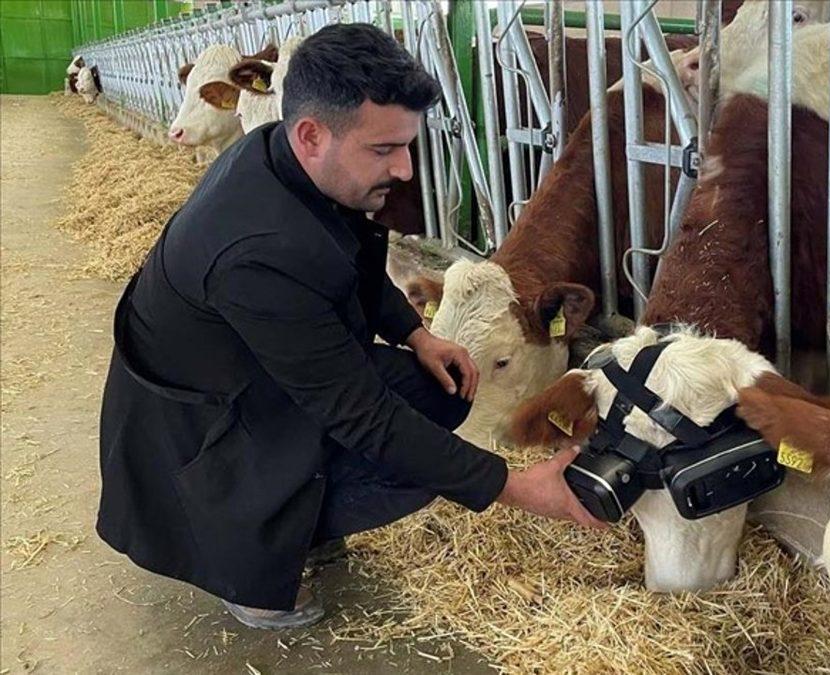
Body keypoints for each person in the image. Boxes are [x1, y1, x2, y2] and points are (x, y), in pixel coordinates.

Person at [96, 23, 602, 631]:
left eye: (408, 146)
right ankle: (245, 568)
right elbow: (358, 412)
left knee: (438, 390)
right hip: (199, 437)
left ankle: (300, 521)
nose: (407, 169)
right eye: (385, 149)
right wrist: (514, 487)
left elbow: (360, 261)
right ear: (311, 133)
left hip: (255, 382)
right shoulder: (259, 253)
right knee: (396, 433)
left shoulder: (289, 161)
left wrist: (419, 335)